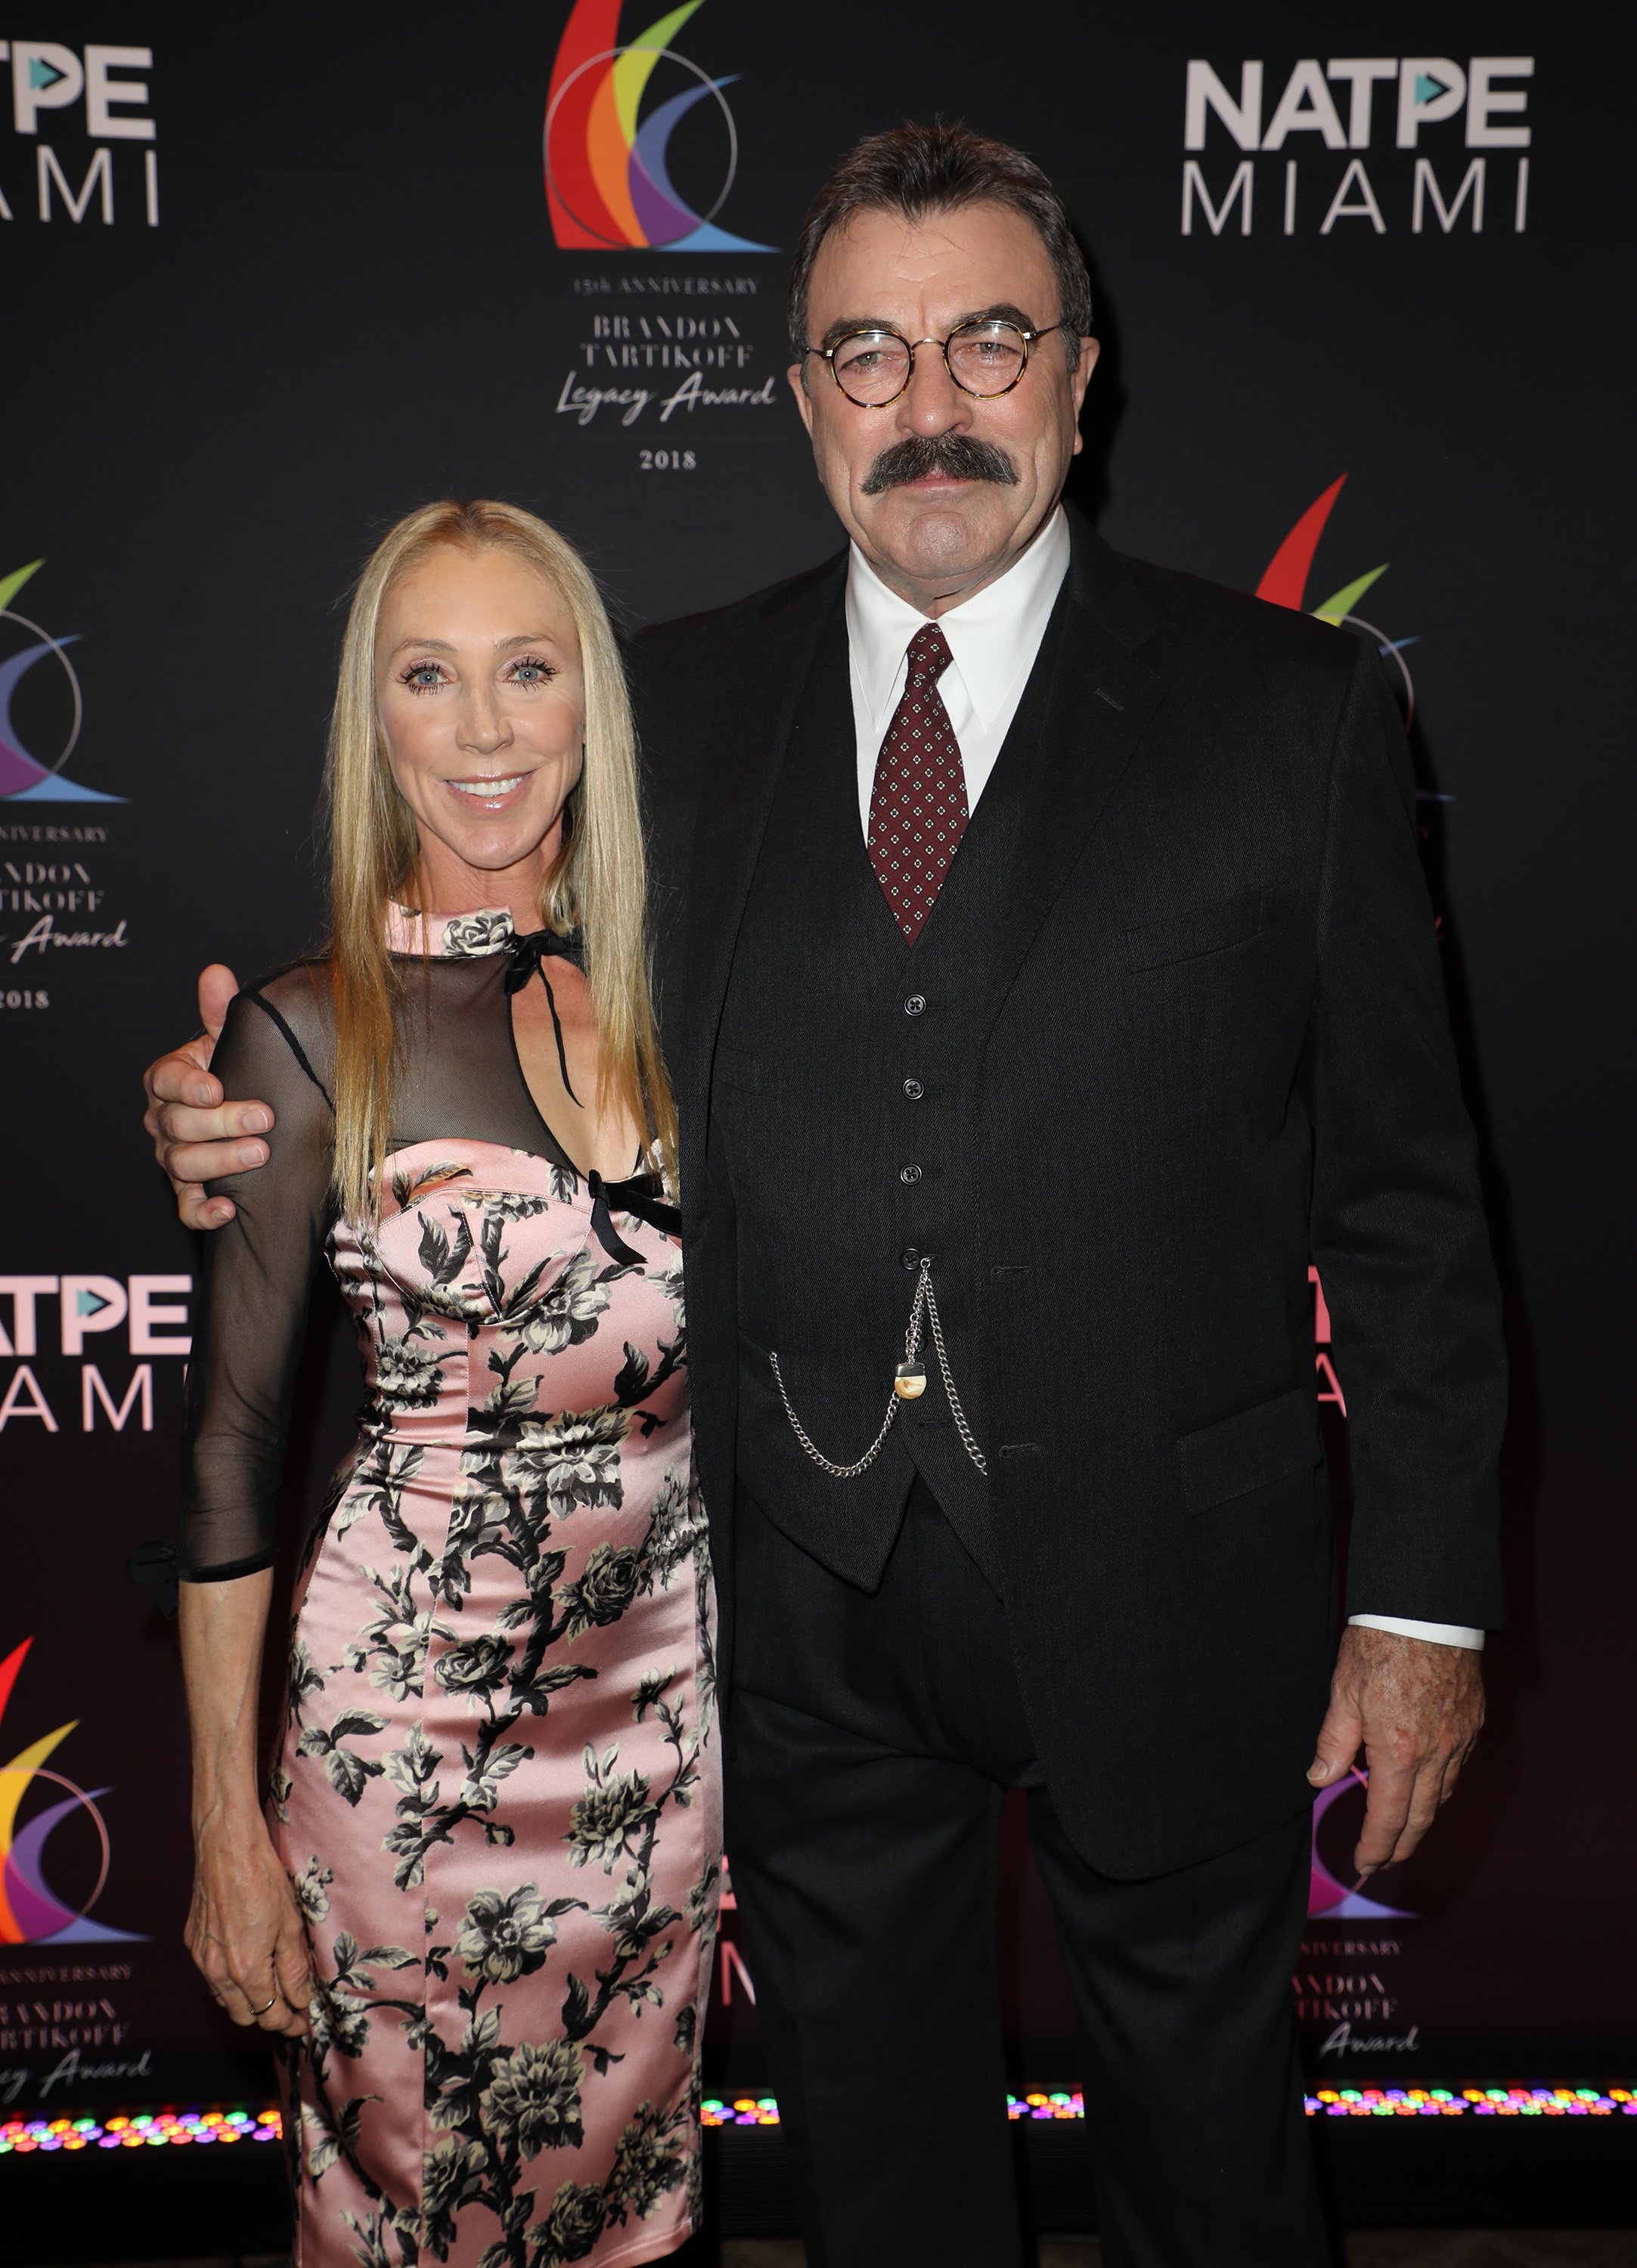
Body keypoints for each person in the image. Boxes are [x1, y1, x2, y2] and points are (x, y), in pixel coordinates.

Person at [147, 129, 1505, 2268]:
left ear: (1077, 376)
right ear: (796, 399)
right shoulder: (661, 715)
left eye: (985, 340)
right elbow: (464, 972)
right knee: (880, 2186)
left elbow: (1412, 1212)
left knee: (1213, 2161)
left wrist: (1417, 1609)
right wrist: (239, 1100)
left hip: (1170, 1591)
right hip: (793, 1618)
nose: (926, 403)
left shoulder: (1296, 712)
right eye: (863, 356)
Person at [169, 499, 718, 2268]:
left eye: (527, 670)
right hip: (404, 1737)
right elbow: (234, 1452)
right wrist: (223, 1822)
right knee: (412, 2198)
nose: (484, 732)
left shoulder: (701, 994)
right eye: (430, 676)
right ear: (373, 721)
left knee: (634, 2191)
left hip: (668, 1724)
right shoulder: (311, 1030)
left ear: (590, 707)